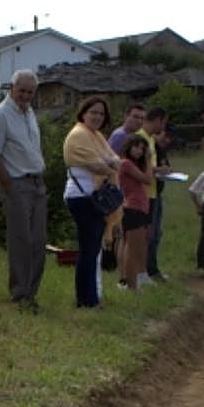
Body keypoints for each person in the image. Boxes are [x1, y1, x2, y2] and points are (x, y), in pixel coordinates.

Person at [0, 69, 46, 312]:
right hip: (16, 183)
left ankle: (31, 293)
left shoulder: (30, 113)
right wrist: (9, 187)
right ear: (11, 88)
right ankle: (20, 295)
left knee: (38, 241)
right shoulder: (0, 115)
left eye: (30, 92)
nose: (25, 96)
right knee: (22, 241)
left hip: (37, 183)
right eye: (21, 90)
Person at [63, 96, 121, 308]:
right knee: (88, 250)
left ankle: (90, 297)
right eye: (93, 112)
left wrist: (109, 162)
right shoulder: (79, 135)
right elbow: (100, 164)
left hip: (94, 197)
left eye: (101, 113)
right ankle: (86, 300)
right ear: (83, 113)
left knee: (92, 249)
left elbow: (114, 160)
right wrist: (109, 163)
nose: (97, 117)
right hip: (83, 197)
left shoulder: (96, 136)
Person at [108, 103, 146, 288]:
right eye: (135, 116)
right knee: (126, 239)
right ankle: (124, 277)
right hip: (123, 196)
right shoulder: (120, 136)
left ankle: (130, 276)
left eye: (141, 118)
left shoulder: (134, 137)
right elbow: (114, 166)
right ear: (126, 116)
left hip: (129, 196)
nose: (138, 120)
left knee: (128, 239)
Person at [137, 107, 172, 281]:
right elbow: (138, 166)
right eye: (163, 122)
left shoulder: (151, 139)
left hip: (154, 192)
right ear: (157, 120)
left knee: (155, 234)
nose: (163, 126)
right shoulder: (141, 138)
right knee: (147, 235)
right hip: (144, 194)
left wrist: (160, 171)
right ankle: (144, 271)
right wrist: (160, 170)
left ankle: (152, 269)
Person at [117, 134, 154, 290]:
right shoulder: (126, 163)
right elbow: (147, 179)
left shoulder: (132, 164)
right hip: (133, 208)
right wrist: (149, 160)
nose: (139, 151)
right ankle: (130, 285)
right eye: (137, 147)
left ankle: (134, 281)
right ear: (129, 147)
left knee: (137, 247)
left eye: (142, 149)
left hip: (139, 208)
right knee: (132, 249)